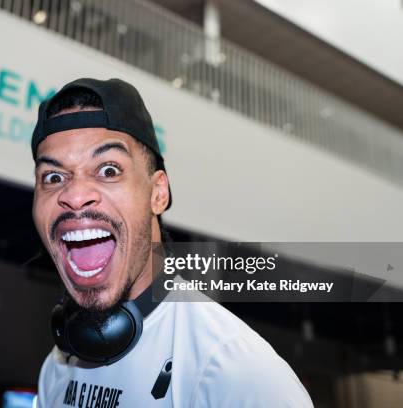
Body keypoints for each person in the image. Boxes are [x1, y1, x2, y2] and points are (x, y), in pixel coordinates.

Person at [30, 78, 313, 407]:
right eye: (53, 177)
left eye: (108, 170)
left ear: (158, 193)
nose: (75, 195)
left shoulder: (237, 375)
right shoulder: (57, 367)